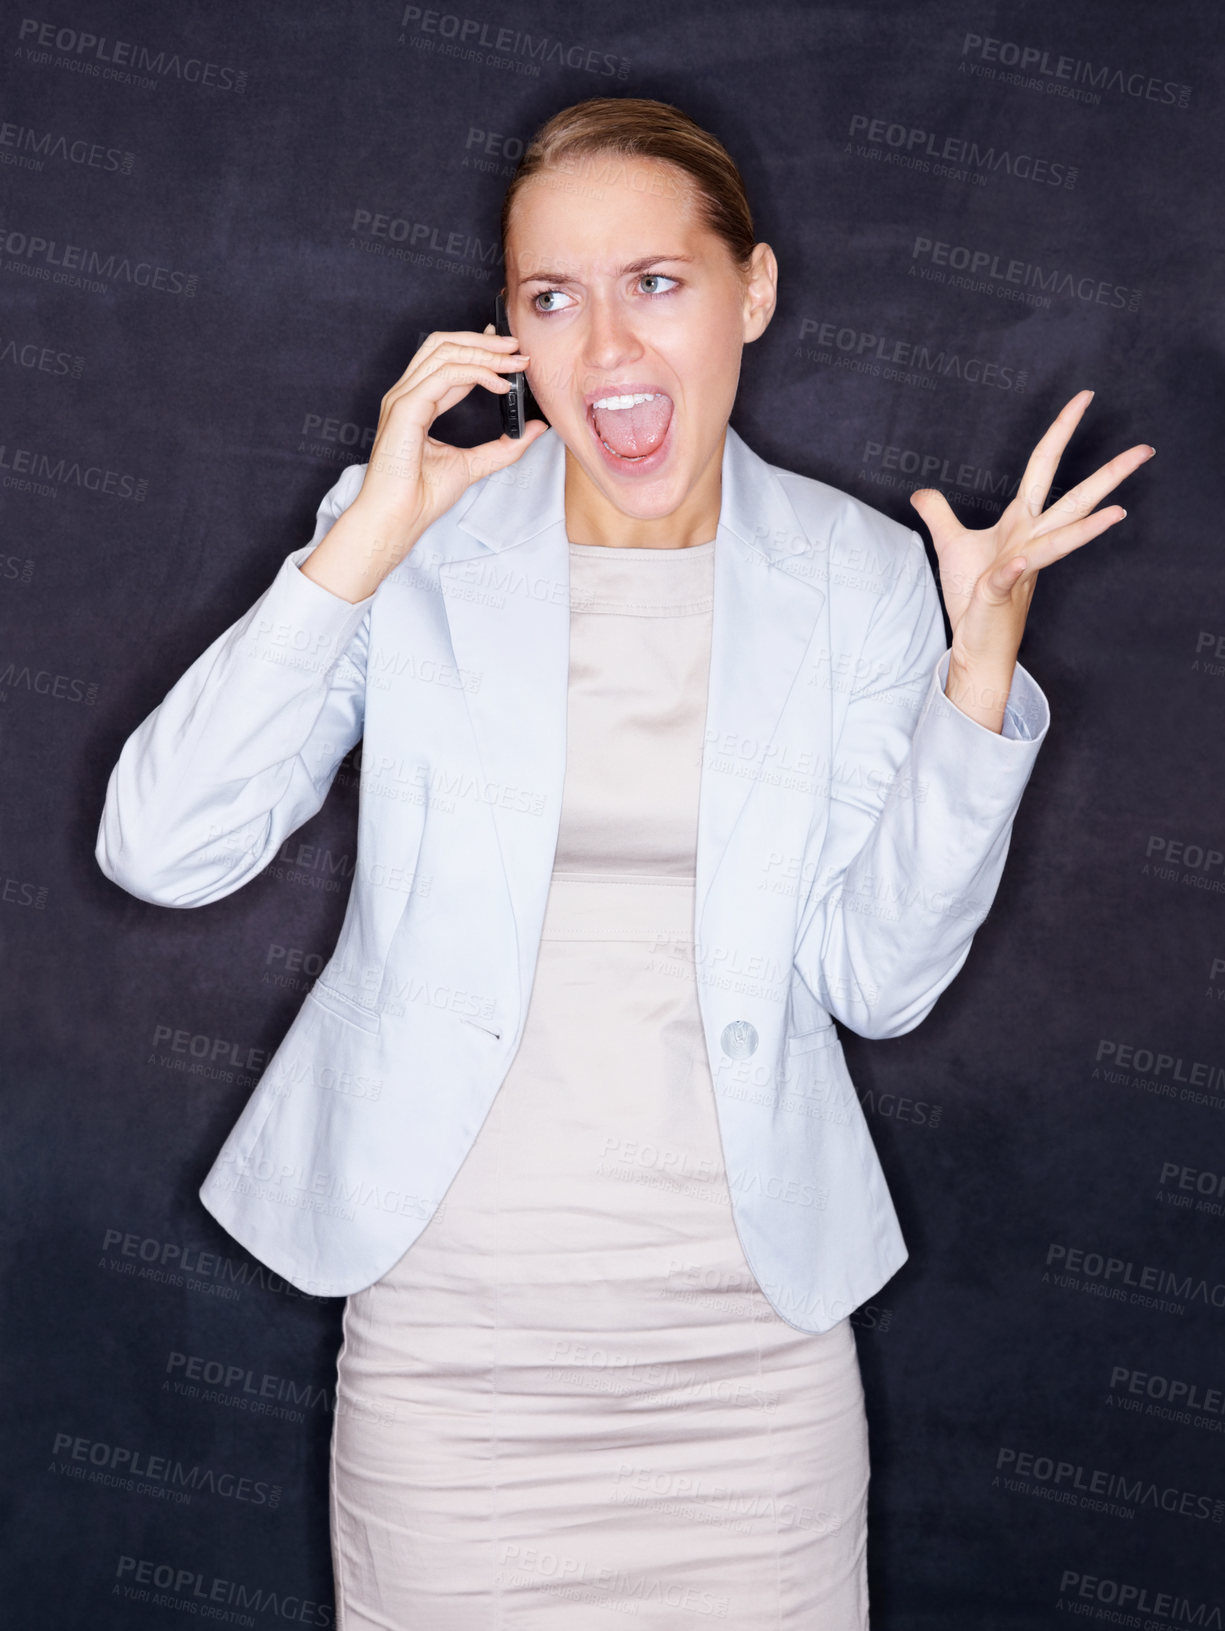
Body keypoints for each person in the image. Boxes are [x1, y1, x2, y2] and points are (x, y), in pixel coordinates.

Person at [95, 97, 1152, 1628]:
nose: (605, 350)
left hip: (746, 1362)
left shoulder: (857, 580)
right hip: (455, 1350)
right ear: (508, 328)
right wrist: (358, 546)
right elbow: (161, 847)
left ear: (754, 293)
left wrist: (974, 667)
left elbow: (880, 983)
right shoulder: (419, 539)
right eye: (551, 298)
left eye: (655, 283)